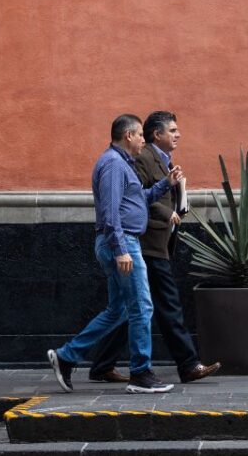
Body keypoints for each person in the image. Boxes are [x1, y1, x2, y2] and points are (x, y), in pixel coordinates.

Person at [46, 114, 182, 394]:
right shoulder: (112, 165)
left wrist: (164, 184)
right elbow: (109, 213)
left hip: (122, 243)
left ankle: (66, 356)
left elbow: (136, 200)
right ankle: (141, 373)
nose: (144, 140)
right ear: (128, 136)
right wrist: (121, 250)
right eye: (140, 136)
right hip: (122, 244)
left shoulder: (124, 165)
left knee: (118, 310)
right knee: (142, 307)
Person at [88, 111, 221, 384]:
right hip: (142, 242)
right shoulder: (138, 158)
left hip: (152, 242)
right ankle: (187, 364)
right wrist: (164, 213)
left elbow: (145, 193)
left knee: (130, 307)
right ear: (155, 135)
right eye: (172, 130)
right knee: (162, 304)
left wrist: (173, 192)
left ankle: (101, 364)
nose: (178, 134)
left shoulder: (161, 160)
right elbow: (130, 199)